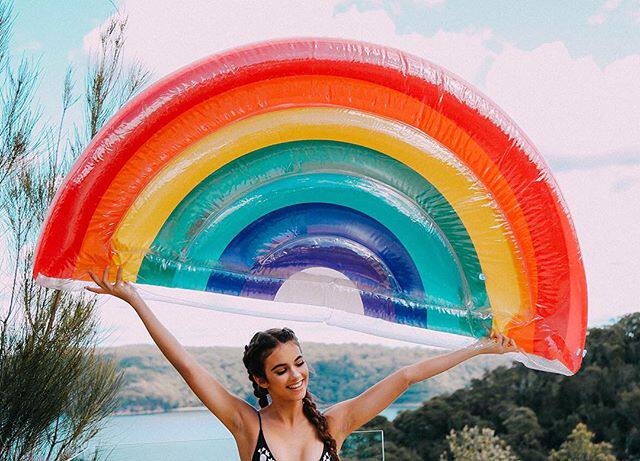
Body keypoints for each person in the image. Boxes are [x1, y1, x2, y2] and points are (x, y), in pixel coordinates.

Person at [86, 265, 518, 461]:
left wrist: (478, 349)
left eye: (298, 363)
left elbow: (406, 376)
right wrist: (135, 300)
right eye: (280, 370)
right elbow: (187, 365)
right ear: (261, 380)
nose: (295, 376)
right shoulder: (246, 425)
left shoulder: (334, 424)